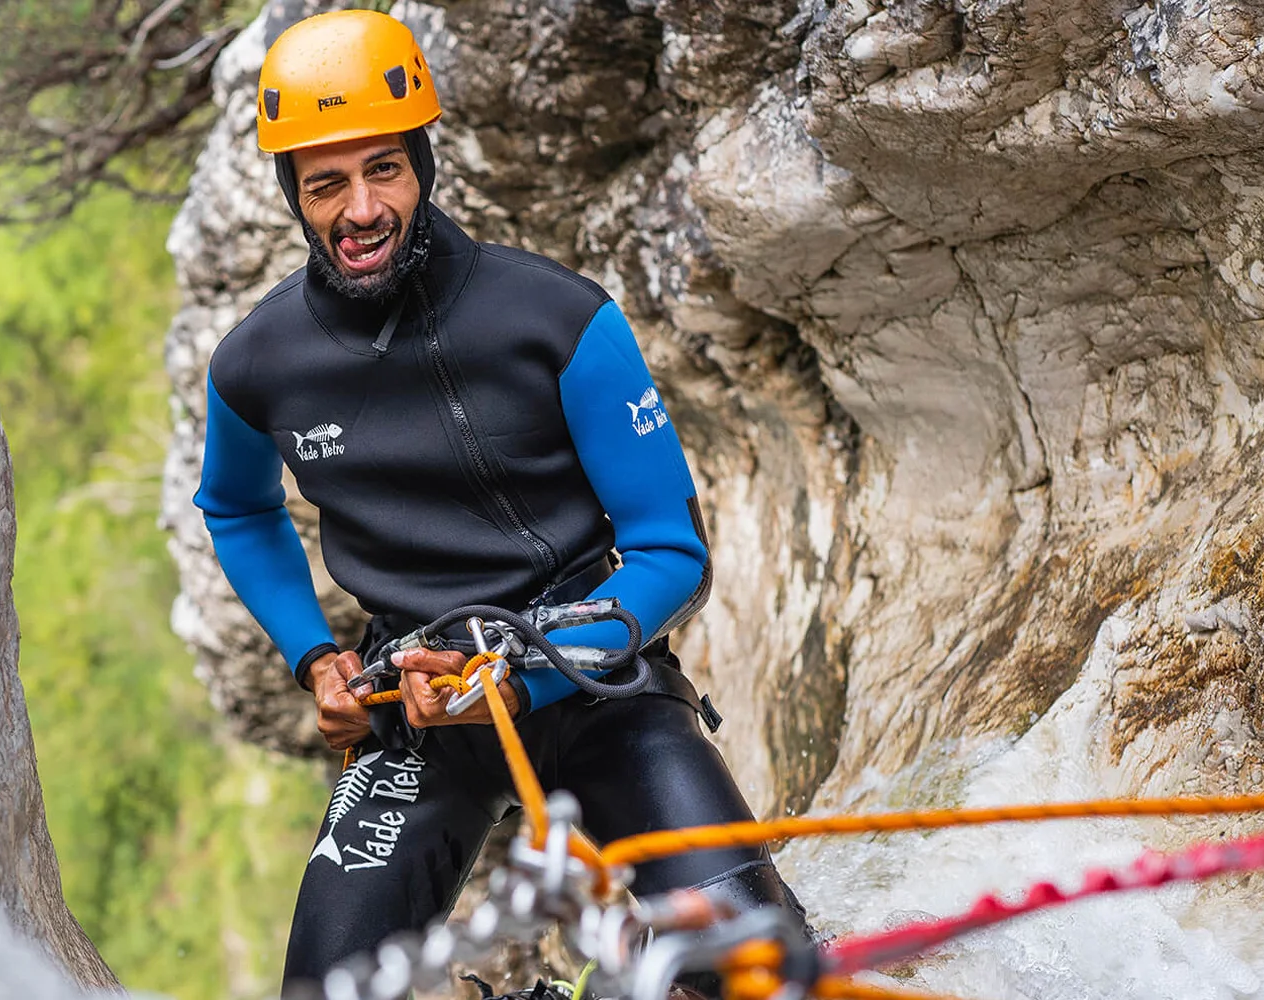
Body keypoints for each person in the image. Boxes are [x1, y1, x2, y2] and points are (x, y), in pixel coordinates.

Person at [192, 10, 808, 996]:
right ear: (293, 198)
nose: (360, 209)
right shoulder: (259, 365)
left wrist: (526, 668)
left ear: (422, 166)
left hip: (592, 680)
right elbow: (235, 509)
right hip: (417, 707)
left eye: (382, 170)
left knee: (756, 970)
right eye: (325, 184)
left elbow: (668, 551)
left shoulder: (556, 322)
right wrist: (314, 655)